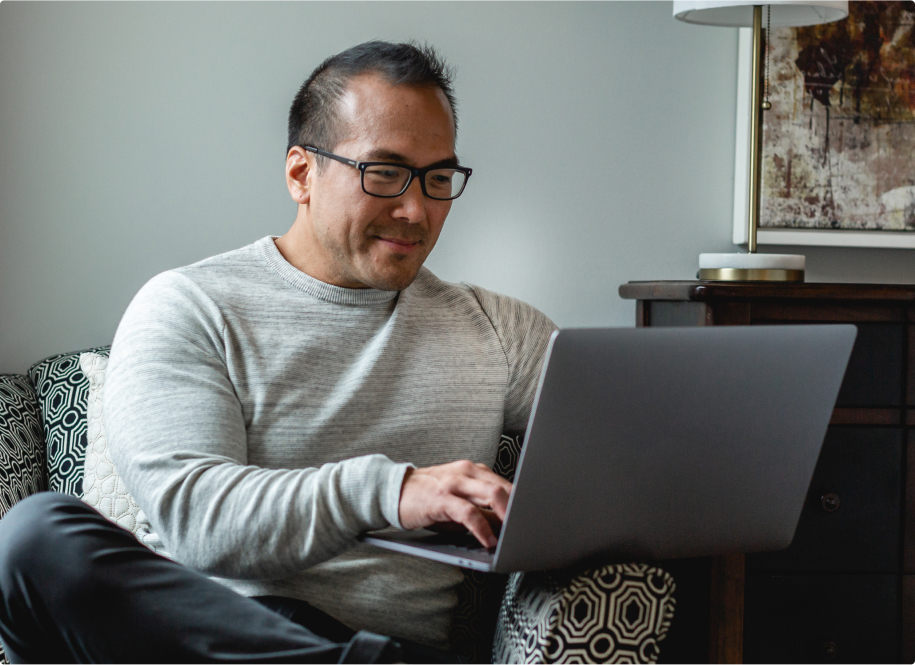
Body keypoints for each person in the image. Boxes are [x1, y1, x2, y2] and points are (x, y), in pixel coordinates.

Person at [0, 41, 556, 663]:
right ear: (301, 174)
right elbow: (200, 519)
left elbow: (631, 458)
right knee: (36, 537)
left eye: (439, 179)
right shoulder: (190, 307)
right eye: (385, 172)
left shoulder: (498, 330)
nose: (416, 209)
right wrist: (389, 491)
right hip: (204, 642)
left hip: (386, 642)